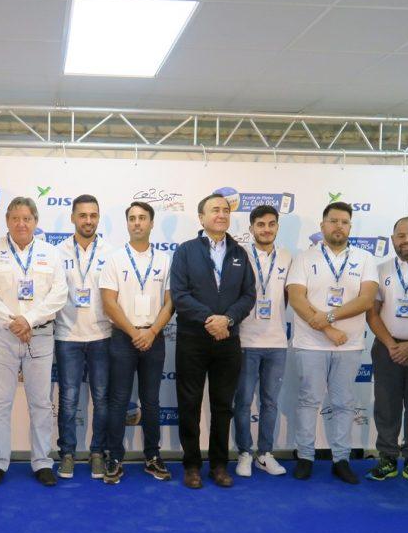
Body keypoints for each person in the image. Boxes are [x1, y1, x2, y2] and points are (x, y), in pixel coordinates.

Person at [0, 196, 67, 486]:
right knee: (0, 402)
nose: (21, 224)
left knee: (41, 403)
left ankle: (42, 462)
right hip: (2, 336)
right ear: (7, 221)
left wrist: (29, 320)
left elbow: (59, 294)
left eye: (27, 218)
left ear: (36, 222)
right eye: (15, 218)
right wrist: (12, 322)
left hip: (39, 335)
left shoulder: (51, 253)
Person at [286, 201, 378, 484]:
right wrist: (329, 329)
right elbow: (296, 298)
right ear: (322, 225)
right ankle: (305, 457)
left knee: (343, 403)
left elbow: (366, 299)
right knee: (308, 401)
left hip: (348, 345)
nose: (339, 226)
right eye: (334, 221)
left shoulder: (365, 258)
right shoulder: (304, 258)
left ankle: (341, 459)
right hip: (310, 343)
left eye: (344, 222)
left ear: (350, 227)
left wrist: (328, 317)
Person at [170, 194, 257, 489]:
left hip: (228, 340)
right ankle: (192, 465)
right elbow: (179, 295)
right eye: (215, 210)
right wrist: (211, 319)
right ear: (201, 217)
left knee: (222, 406)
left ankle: (219, 465)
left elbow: (249, 295)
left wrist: (227, 320)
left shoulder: (239, 253)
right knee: (189, 404)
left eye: (225, 210)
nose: (221, 214)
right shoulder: (186, 251)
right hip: (193, 339)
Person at [100, 201, 174, 484]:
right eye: (132, 218)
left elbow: (170, 302)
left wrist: (152, 331)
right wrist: (134, 333)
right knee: (118, 400)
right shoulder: (115, 259)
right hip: (123, 336)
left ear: (152, 223)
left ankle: (152, 456)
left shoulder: (165, 260)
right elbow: (109, 302)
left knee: (151, 401)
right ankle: (114, 457)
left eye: (142, 218)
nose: (137, 223)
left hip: (154, 337)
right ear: (127, 224)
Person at [365, 217, 408, 485]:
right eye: (401, 236)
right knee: (386, 406)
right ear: (393, 239)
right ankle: (387, 458)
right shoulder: (381, 269)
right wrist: (393, 346)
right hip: (387, 347)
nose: (407, 240)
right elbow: (372, 314)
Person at [55, 194, 112, 480]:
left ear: (98, 218)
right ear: (73, 218)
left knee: (101, 399)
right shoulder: (58, 252)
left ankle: (98, 453)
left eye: (93, 215)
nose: (88, 220)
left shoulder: (111, 252)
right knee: (68, 399)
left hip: (102, 335)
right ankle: (67, 453)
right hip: (67, 336)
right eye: (83, 215)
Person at [233, 204, 290, 478]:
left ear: (277, 227)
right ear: (251, 228)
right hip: (246, 340)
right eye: (260, 225)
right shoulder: (239, 256)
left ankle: (265, 454)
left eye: (271, 224)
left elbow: (290, 297)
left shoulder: (288, 257)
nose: (266, 229)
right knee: (243, 401)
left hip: (277, 342)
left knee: (270, 402)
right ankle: (245, 452)